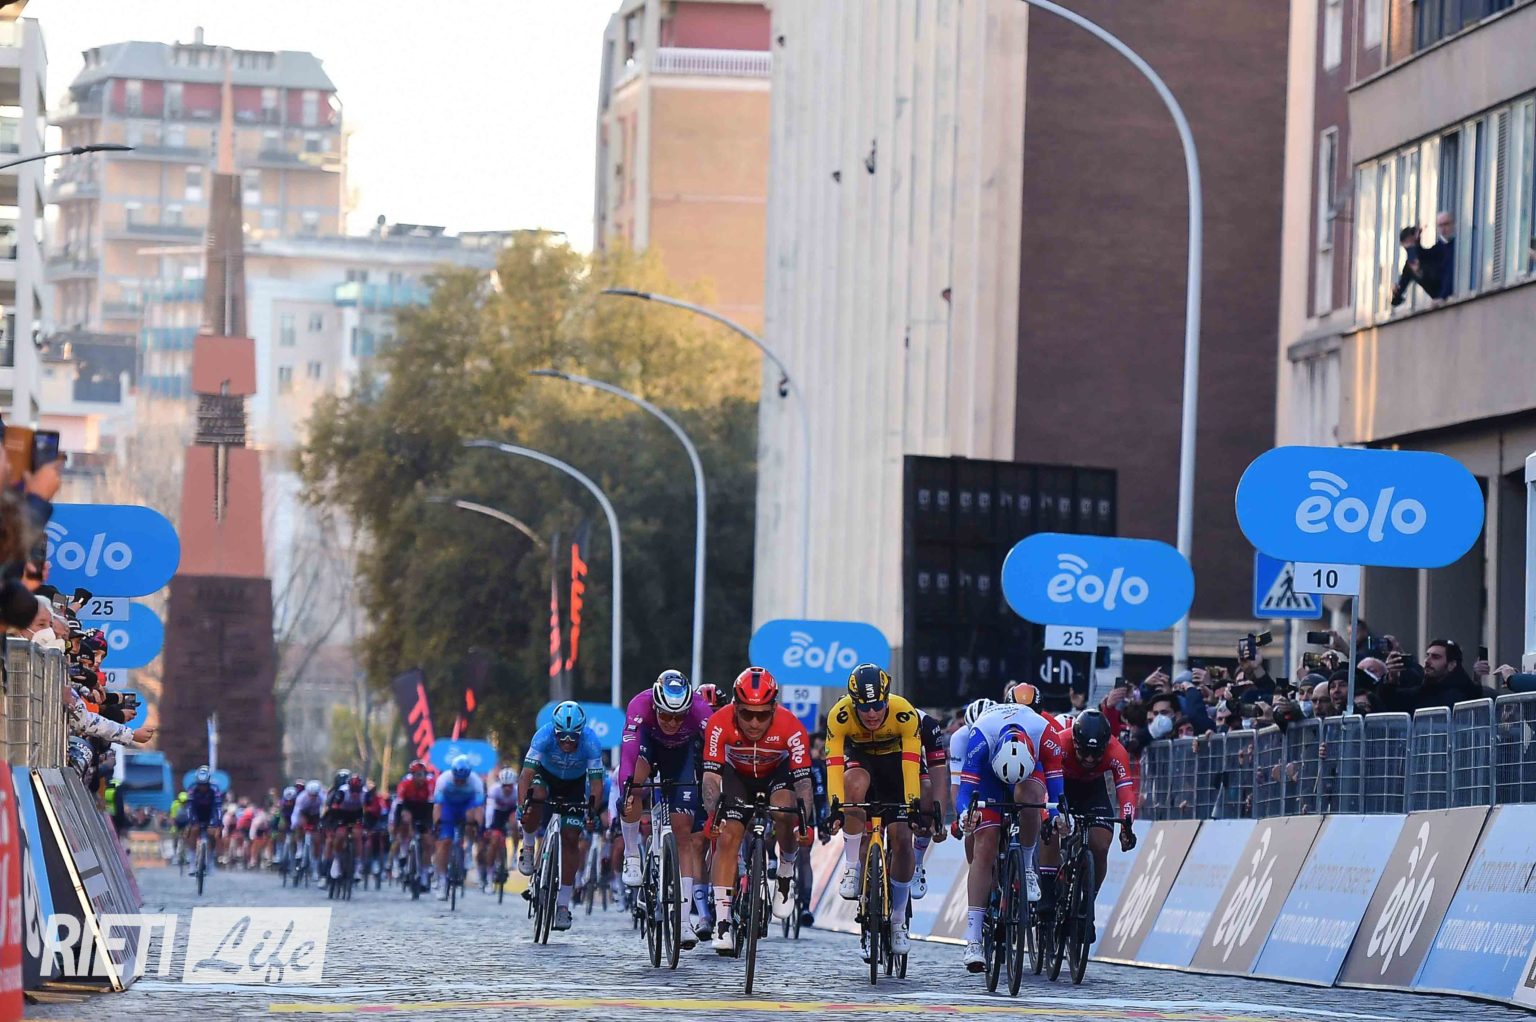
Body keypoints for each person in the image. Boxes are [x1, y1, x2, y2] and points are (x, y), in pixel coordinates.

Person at [701, 667, 814, 955]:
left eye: (762, 715)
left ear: (774, 709)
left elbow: (803, 783)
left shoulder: (792, 727)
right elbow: (711, 779)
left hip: (776, 774)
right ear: (734, 707)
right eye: (746, 714)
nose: (754, 723)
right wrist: (713, 816)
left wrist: (804, 823)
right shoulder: (718, 722)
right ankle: (723, 922)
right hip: (737, 776)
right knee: (727, 836)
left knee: (785, 811)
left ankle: (785, 872)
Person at [825, 664, 923, 957]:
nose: (871, 714)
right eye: (864, 707)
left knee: (903, 839)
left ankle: (898, 921)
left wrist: (913, 804)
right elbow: (833, 766)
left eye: (878, 706)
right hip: (861, 761)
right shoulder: (839, 715)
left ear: (887, 699)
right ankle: (852, 868)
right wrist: (835, 806)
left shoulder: (904, 713)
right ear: (852, 702)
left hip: (896, 767)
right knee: (853, 786)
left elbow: (911, 766)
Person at [954, 701, 1052, 973]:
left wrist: (1058, 815)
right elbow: (964, 791)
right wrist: (964, 815)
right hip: (988, 776)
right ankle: (973, 939)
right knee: (985, 843)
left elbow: (1056, 788)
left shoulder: (1043, 732)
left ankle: (1027, 867)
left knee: (1031, 801)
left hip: (1028, 771)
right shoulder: (980, 739)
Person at [617, 669, 712, 946]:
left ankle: (683, 923)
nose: (672, 722)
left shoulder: (701, 710)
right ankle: (632, 855)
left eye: (679, 717)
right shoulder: (640, 704)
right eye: (666, 715)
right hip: (647, 748)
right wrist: (626, 789)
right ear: (656, 706)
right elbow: (628, 753)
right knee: (633, 788)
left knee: (683, 833)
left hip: (681, 757)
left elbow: (716, 750)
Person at [1037, 709, 1136, 941]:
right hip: (1061, 786)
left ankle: (1087, 904)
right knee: (1051, 830)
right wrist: (1047, 817)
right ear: (1074, 742)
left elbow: (1126, 792)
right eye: (1084, 752)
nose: (1090, 759)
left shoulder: (1116, 751)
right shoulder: (1060, 742)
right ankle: (1048, 891)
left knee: (1100, 845)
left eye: (1096, 753)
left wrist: (1127, 827)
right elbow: (1044, 786)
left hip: (1093, 792)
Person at [516, 701, 605, 931]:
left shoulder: (591, 742)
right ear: (554, 731)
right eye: (561, 736)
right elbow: (525, 775)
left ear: (581, 733)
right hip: (545, 778)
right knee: (535, 796)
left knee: (571, 838)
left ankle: (563, 906)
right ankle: (528, 847)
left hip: (574, 785)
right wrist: (522, 805)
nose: (566, 741)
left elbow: (596, 784)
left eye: (572, 737)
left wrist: (592, 812)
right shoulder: (543, 736)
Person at [431, 755, 486, 900]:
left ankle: (468, 849)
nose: (460, 782)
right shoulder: (443, 780)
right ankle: (442, 881)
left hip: (466, 806)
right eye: (457, 779)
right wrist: (436, 825)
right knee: (445, 842)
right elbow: (437, 806)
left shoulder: (476, 781)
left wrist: (478, 828)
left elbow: (479, 808)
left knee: (471, 818)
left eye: (463, 780)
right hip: (448, 807)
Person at [393, 760, 435, 889]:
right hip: (408, 806)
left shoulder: (430, 784)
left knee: (427, 842)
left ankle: (424, 874)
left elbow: (432, 807)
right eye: (417, 775)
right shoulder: (405, 784)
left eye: (422, 774)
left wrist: (430, 825)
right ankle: (404, 851)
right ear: (412, 775)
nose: (420, 778)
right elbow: (400, 806)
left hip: (425, 808)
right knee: (406, 820)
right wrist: (397, 825)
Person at [482, 767, 520, 890]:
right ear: (501, 784)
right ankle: (489, 876)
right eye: (505, 785)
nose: (507, 788)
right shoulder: (494, 790)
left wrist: (519, 827)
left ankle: (514, 854)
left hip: (511, 812)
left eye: (510, 785)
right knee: (493, 842)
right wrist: (488, 827)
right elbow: (489, 811)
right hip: (497, 814)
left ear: (513, 784)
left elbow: (520, 811)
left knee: (514, 823)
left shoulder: (518, 791)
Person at [183, 766, 223, 870]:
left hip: (210, 813)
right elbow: (189, 807)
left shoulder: (215, 789)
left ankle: (210, 859)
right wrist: (190, 822)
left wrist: (218, 823)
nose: (202, 787)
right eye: (200, 784)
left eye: (205, 784)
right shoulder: (192, 788)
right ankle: (192, 861)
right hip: (196, 813)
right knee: (193, 830)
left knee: (212, 833)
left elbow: (218, 807)